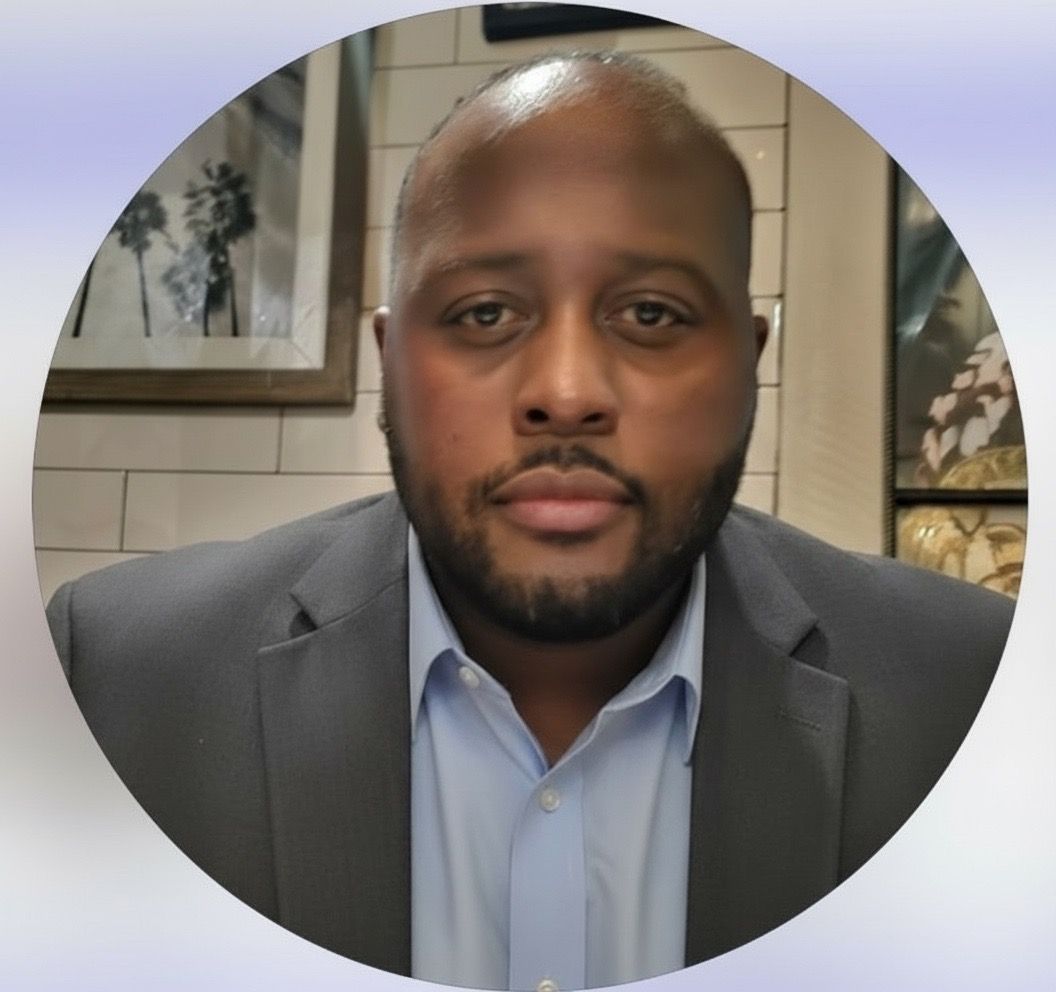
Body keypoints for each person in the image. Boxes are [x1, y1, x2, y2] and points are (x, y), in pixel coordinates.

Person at [46, 51, 1013, 990]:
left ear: (745, 363)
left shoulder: (980, 694)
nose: (565, 392)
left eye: (651, 314)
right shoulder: (114, 678)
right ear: (393, 361)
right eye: (481, 314)